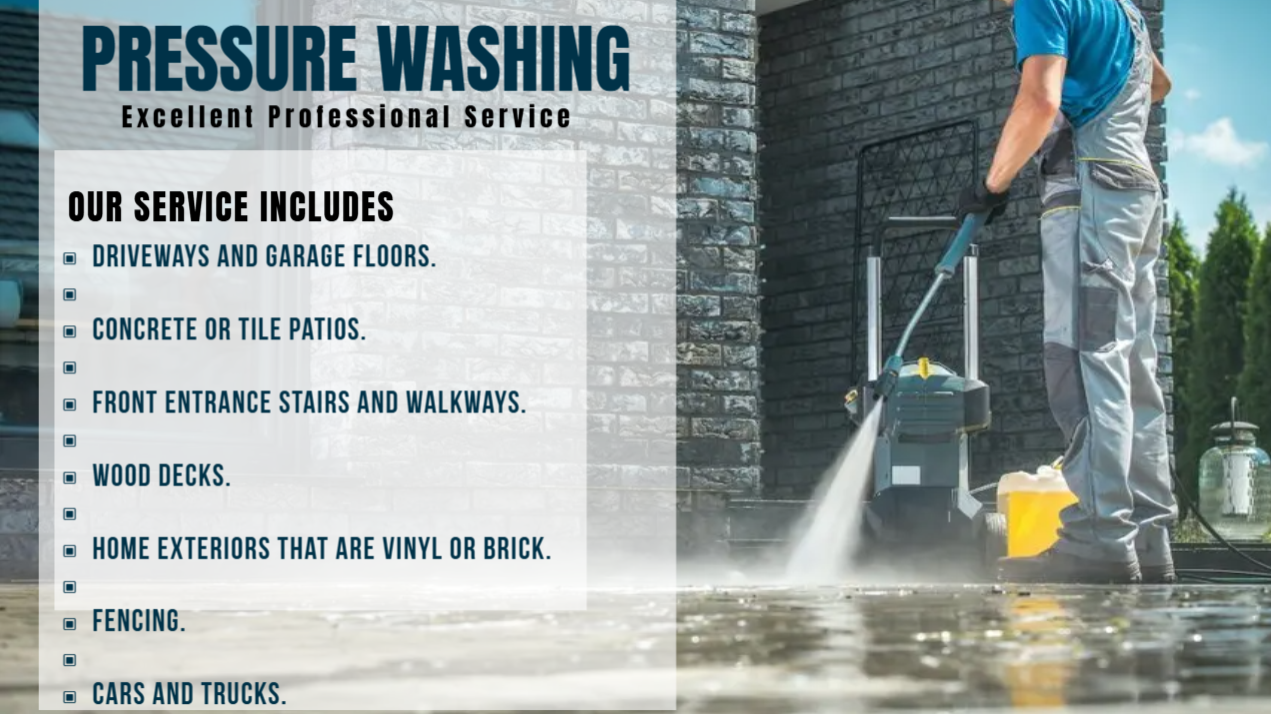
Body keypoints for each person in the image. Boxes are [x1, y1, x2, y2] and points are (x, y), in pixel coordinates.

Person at [955, 0, 1176, 584]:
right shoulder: (1126, 10)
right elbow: (1157, 84)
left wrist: (991, 183)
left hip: (1089, 195)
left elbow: (1039, 100)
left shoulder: (1042, 2)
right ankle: (1148, 537)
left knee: (1083, 358)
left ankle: (1099, 537)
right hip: (1135, 193)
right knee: (1132, 366)